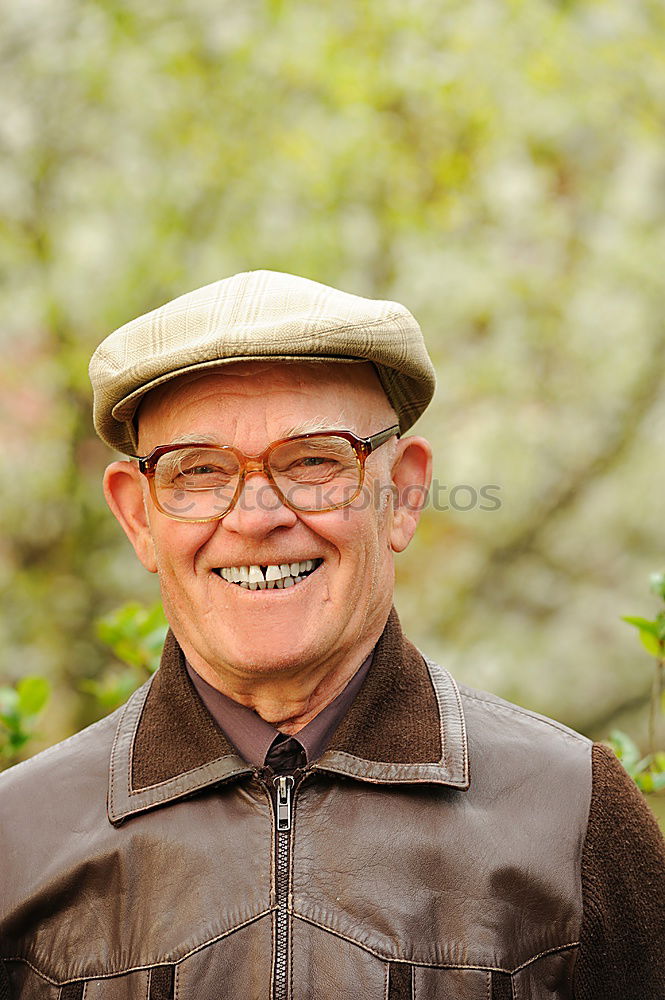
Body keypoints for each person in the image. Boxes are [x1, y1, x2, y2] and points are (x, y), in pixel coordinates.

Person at [1, 270, 663, 1000]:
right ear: (138, 518)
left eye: (314, 459)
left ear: (404, 494)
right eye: (198, 470)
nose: (256, 517)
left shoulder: (571, 815)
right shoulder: (17, 837)